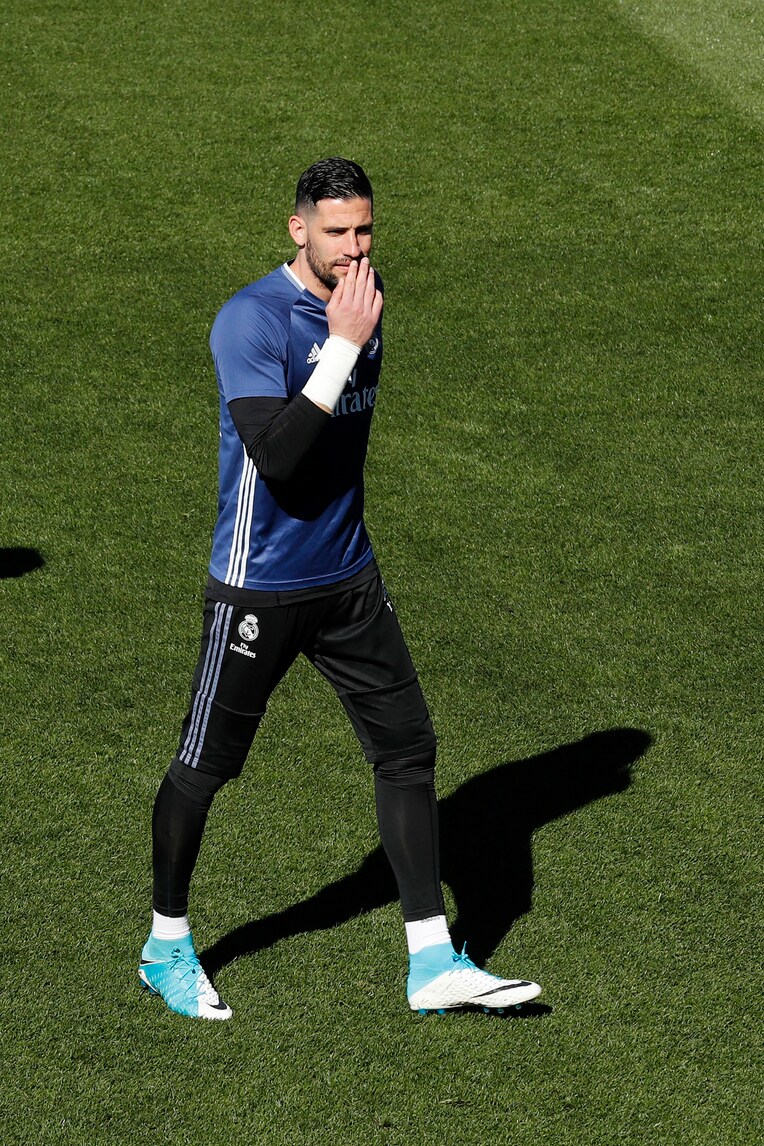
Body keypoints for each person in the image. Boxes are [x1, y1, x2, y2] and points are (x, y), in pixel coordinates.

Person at [138, 157, 541, 1020]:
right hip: (258, 587)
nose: (355, 248)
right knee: (207, 766)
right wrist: (346, 343)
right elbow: (277, 457)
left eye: (365, 230)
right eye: (336, 232)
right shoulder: (250, 320)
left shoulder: (365, 294)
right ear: (298, 230)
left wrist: (351, 330)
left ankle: (431, 962)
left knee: (408, 749)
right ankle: (165, 945)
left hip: (349, 576)